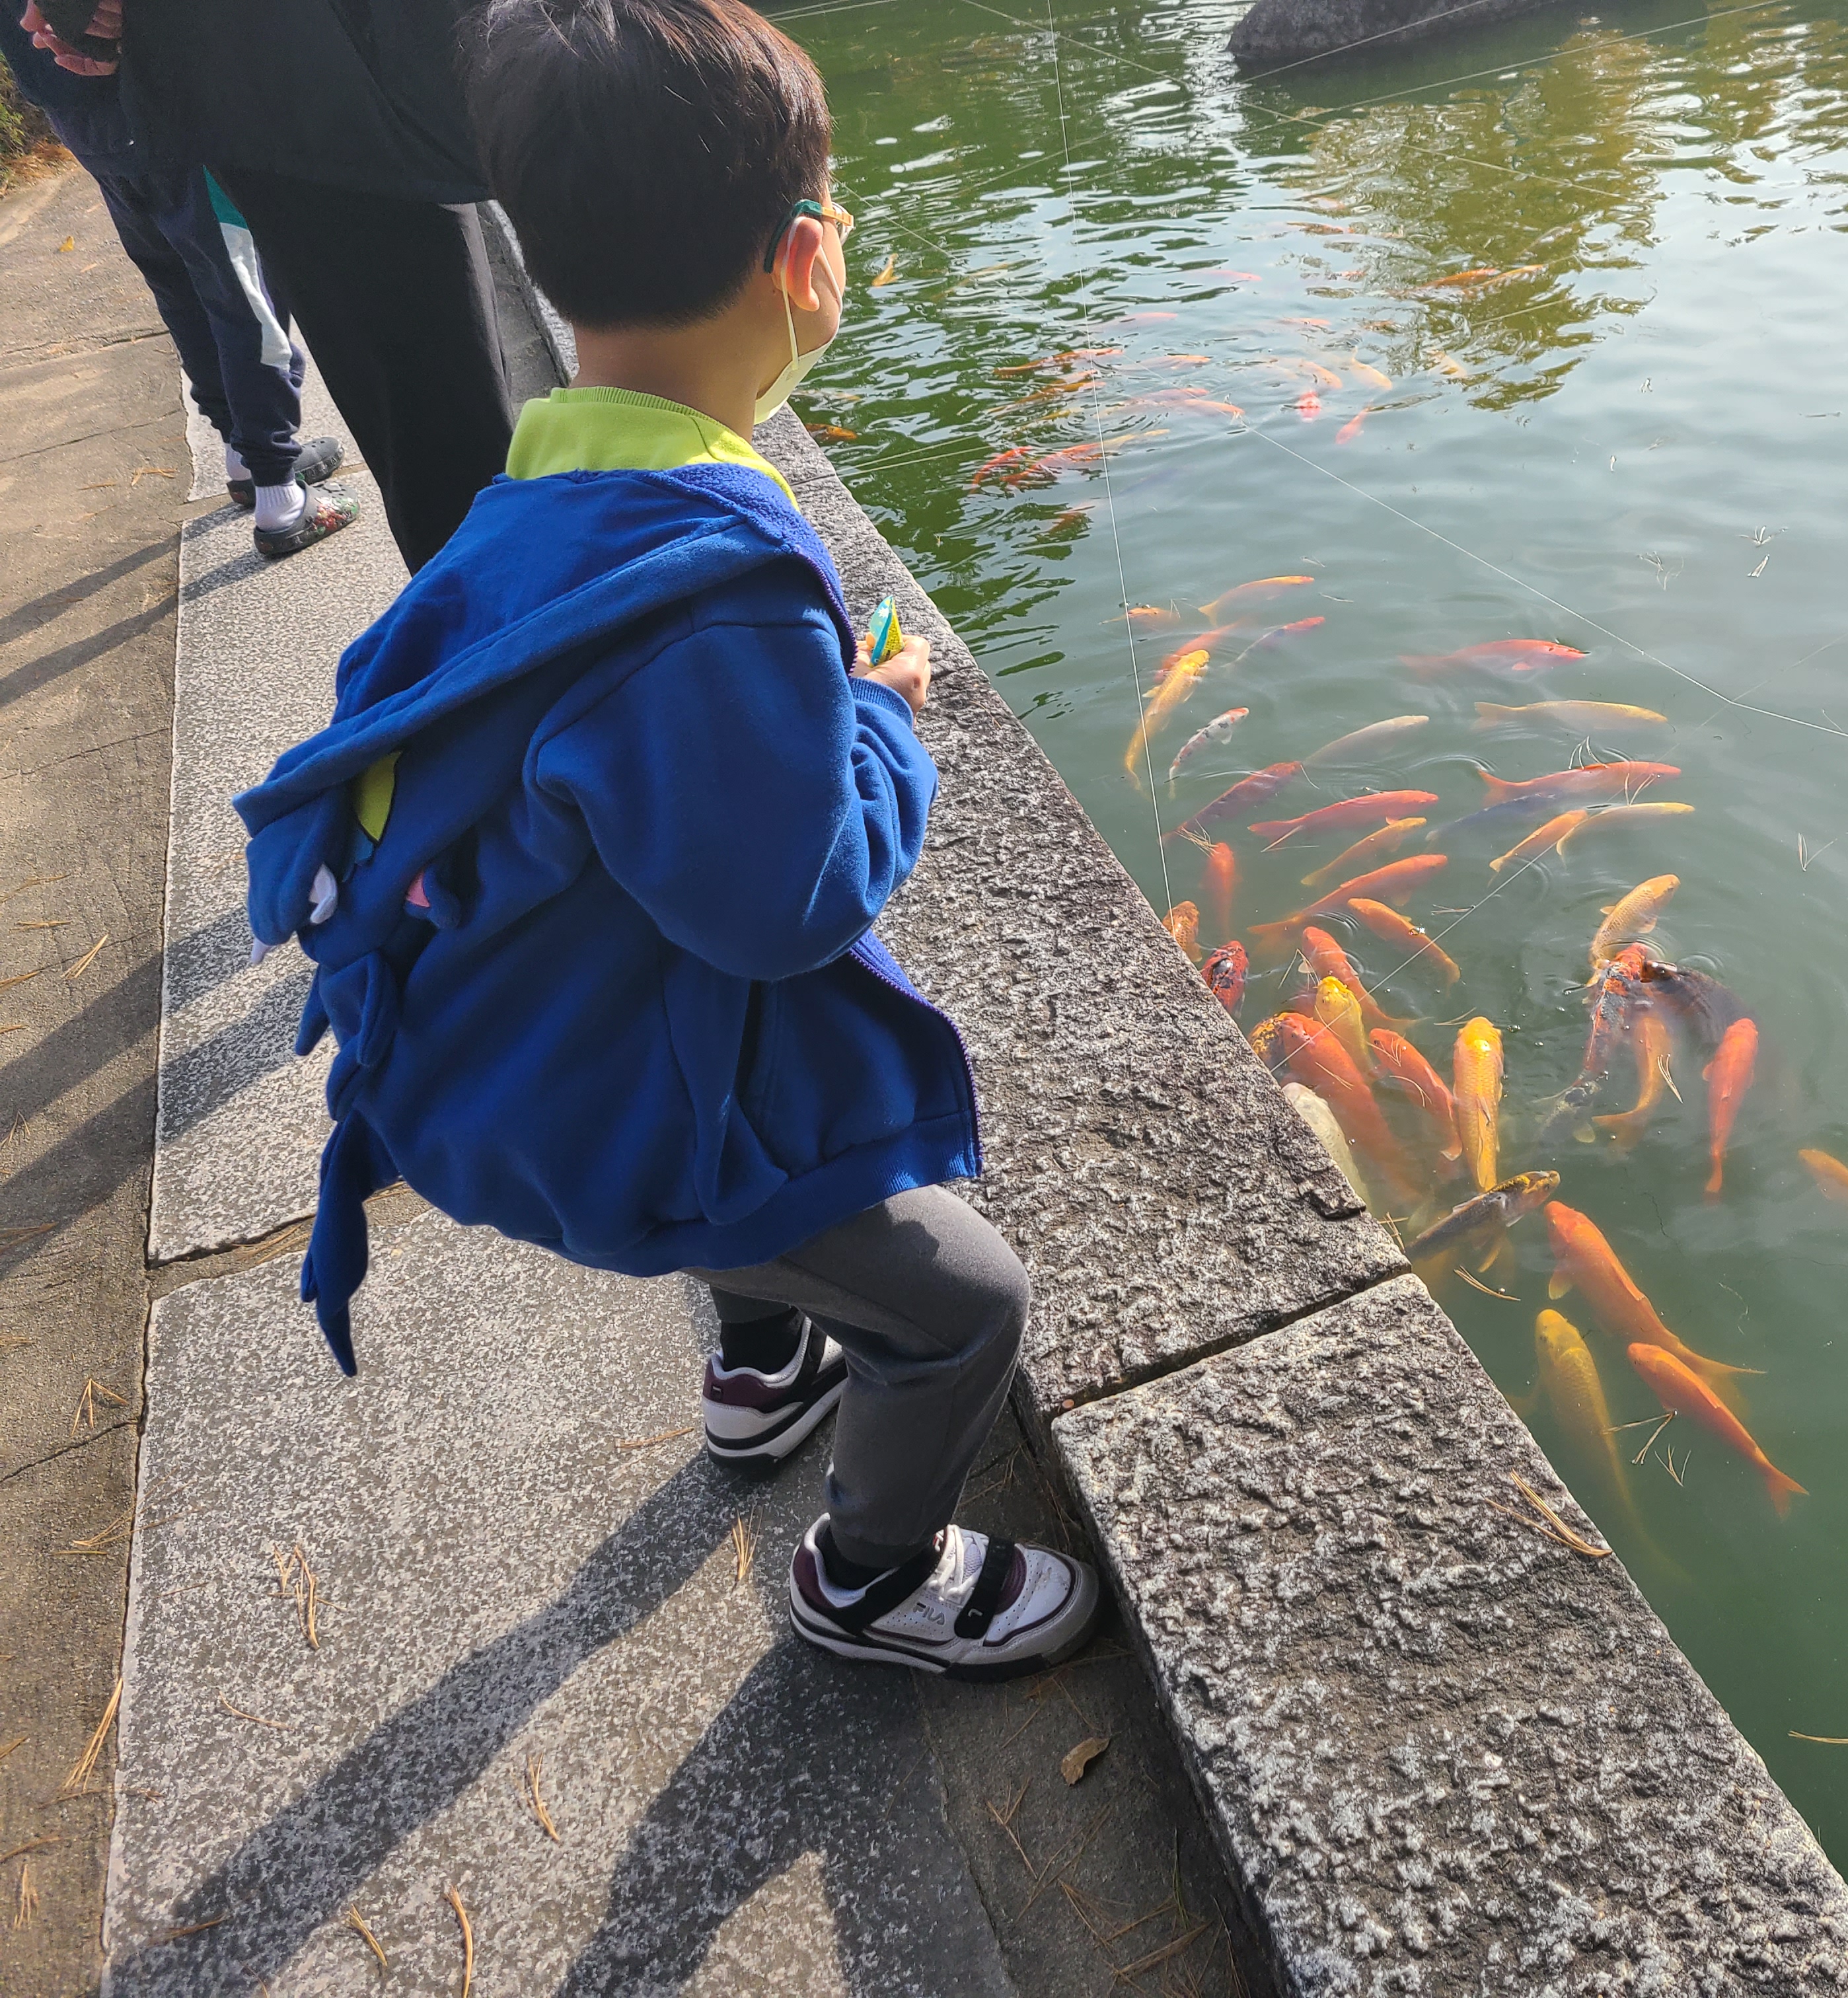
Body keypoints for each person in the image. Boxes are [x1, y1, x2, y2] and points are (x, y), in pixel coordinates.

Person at [229, 0, 1099, 1682]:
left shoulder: (536, 492)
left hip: (492, 1053)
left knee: (752, 1130)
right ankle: (870, 1576)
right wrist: (880, 719)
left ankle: (764, 1366)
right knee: (967, 1305)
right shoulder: (714, 585)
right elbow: (795, 904)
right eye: (834, 212)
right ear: (804, 261)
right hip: (596, 1116)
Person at [25, 0, 516, 572]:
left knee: (202, 291)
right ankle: (273, 472)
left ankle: (255, 455)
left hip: (222, 84)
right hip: (312, 75)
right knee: (429, 403)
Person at [7, 5, 355, 556]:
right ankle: (279, 494)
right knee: (242, 288)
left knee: (179, 283)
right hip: (159, 87)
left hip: (75, 110)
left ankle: (246, 456)